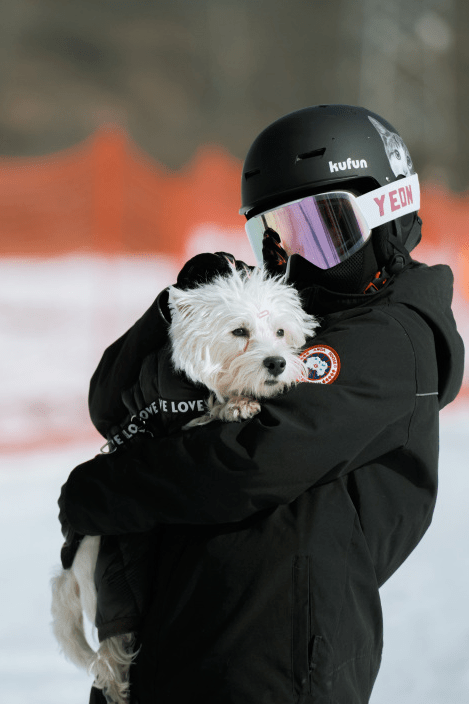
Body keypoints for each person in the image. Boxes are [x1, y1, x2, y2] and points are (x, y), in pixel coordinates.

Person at [58, 104, 465, 704]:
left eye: (325, 231)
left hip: (271, 662)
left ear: (388, 212)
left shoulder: (391, 340)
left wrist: (105, 491)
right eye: (274, 237)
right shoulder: (278, 317)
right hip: (175, 641)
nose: (295, 259)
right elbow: (113, 404)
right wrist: (171, 315)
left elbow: (255, 459)